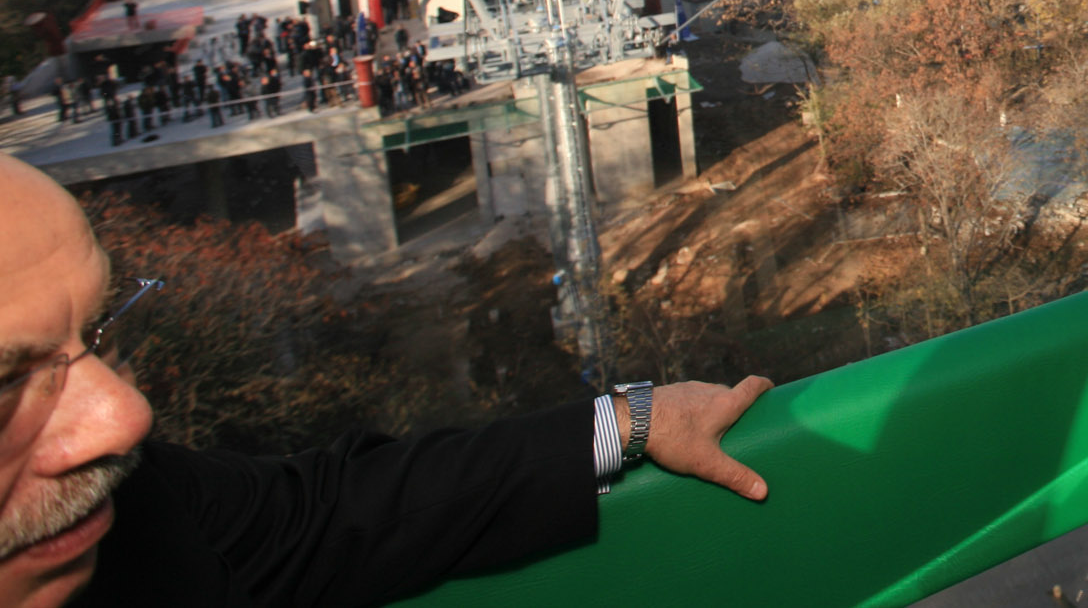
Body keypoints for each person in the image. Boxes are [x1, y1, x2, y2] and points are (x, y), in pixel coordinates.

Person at [0, 154, 774, 608]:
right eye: (7, 383)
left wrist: (629, 419)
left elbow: (335, 512)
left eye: (101, 333)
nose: (125, 414)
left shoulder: (148, 515)